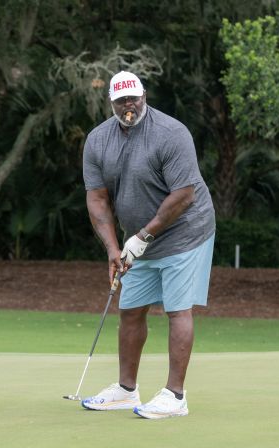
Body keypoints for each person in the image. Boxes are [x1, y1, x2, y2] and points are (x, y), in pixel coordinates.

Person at [80, 71, 216, 419]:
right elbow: (97, 198)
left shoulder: (171, 133)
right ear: (111, 102)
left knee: (177, 308)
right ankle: (126, 390)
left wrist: (143, 237)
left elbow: (184, 194)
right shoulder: (98, 140)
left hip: (185, 231)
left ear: (144, 95)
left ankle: (175, 396)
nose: (129, 105)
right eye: (121, 100)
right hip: (137, 238)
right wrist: (113, 249)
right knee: (130, 308)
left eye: (134, 98)